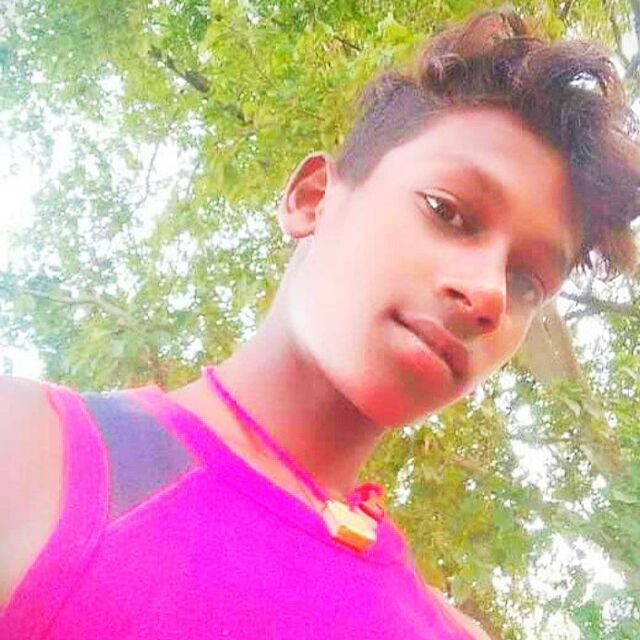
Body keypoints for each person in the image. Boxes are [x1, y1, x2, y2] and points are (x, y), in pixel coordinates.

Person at [1, 7, 638, 639]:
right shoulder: (32, 453)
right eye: (447, 211)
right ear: (312, 198)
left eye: (526, 282)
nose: (488, 295)